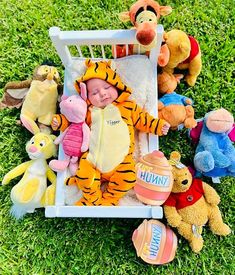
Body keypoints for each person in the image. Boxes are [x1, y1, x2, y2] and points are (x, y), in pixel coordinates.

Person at [53, 59, 170, 206]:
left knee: (128, 177)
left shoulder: (128, 107)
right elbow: (73, 123)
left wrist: (159, 126)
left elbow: (143, 120)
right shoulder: (89, 111)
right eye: (94, 92)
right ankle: (93, 199)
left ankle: (109, 200)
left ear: (116, 85)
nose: (102, 93)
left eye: (107, 87)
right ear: (87, 97)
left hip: (121, 162)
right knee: (84, 174)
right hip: (93, 160)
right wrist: (60, 122)